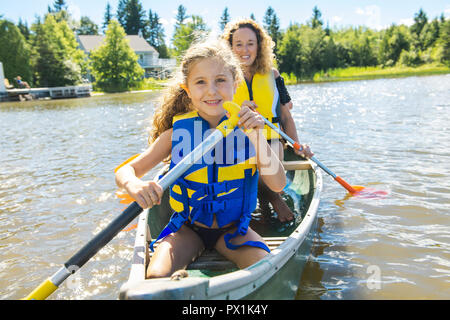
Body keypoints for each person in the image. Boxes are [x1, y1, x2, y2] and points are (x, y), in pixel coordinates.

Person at [115, 38, 287, 279]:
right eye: (200, 82)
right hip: (187, 228)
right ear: (187, 89)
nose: (212, 91)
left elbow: (278, 184)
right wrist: (134, 184)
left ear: (235, 84)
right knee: (155, 277)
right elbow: (125, 172)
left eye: (220, 80)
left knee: (265, 270)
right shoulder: (175, 134)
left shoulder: (249, 131)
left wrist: (258, 138)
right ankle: (178, 284)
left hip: (235, 230)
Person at [222, 19, 314, 222]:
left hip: (271, 138)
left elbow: (286, 116)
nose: (244, 50)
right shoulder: (222, 78)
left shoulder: (273, 75)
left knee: (269, 156)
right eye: (238, 44)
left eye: (250, 43)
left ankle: (269, 200)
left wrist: (296, 144)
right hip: (236, 141)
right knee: (245, 160)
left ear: (259, 46)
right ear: (230, 47)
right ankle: (270, 201)